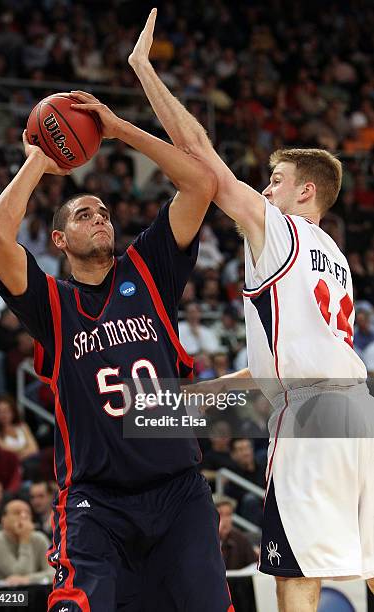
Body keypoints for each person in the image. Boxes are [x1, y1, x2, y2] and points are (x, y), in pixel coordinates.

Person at [129, 9, 374, 611]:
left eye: (275, 178)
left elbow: (200, 158)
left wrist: (142, 74)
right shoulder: (335, 255)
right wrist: (187, 400)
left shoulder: (283, 230)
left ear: (304, 192)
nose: (264, 189)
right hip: (358, 414)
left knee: (296, 574)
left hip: (310, 417)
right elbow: (275, 369)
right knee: (369, 565)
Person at [0, 90, 233, 611]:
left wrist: (119, 130)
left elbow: (201, 183)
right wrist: (37, 162)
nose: (100, 218)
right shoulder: (53, 304)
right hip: (97, 504)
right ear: (58, 239)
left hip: (179, 492)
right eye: (83, 215)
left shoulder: (148, 270)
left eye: (103, 212)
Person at [0, 498, 53, 585]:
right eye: (17, 513)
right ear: (4, 519)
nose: (23, 516)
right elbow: (20, 576)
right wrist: (25, 540)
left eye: (27, 513)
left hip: (32, 594)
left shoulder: (40, 538)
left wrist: (29, 579)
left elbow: (55, 573)